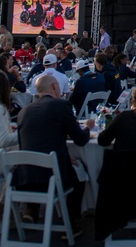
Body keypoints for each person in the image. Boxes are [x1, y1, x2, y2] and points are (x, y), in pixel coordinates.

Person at [16, 74, 93, 236]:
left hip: (24, 176)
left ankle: (32, 208)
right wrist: (87, 128)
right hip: (50, 176)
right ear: (54, 87)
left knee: (60, 163)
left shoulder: (24, 111)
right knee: (81, 172)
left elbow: (27, 143)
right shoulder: (61, 105)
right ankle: (71, 222)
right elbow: (80, 140)